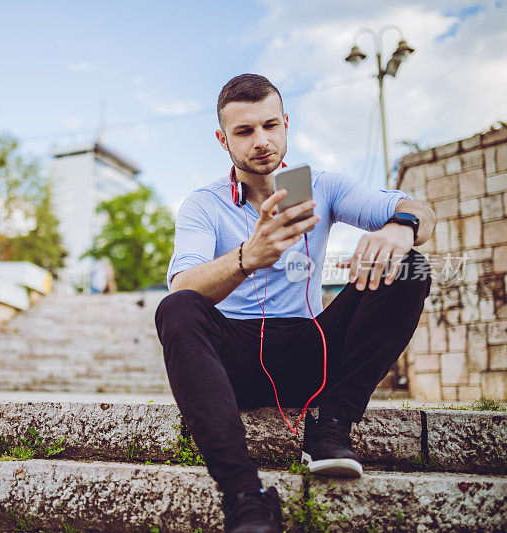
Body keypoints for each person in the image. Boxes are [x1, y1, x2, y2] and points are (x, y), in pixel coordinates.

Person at [154, 74, 435, 533]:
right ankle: (244, 497)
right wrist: (248, 257)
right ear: (223, 139)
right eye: (244, 132)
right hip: (234, 360)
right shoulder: (202, 204)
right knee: (177, 309)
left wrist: (399, 227)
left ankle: (330, 428)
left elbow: (421, 211)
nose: (261, 142)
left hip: (310, 351)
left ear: (286, 124)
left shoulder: (319, 186)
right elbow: (182, 285)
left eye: (270, 126)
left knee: (410, 266)